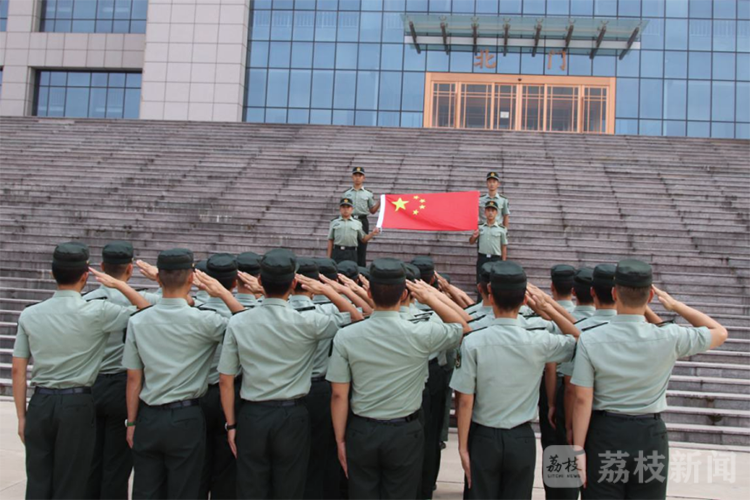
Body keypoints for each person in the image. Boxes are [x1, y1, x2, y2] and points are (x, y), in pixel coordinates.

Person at [571, 259, 728, 499]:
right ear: (651, 296)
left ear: (614, 293)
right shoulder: (669, 336)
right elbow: (720, 332)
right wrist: (675, 306)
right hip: (649, 435)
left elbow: (582, 399)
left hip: (605, 435)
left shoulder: (590, 339)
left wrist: (578, 450)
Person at [217, 249, 363, 500]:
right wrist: (328, 290)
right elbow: (356, 317)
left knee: (251, 486)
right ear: (295, 282)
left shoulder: (239, 322)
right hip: (292, 414)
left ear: (260, 282)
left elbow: (225, 379)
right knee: (290, 485)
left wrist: (231, 423)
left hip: (253, 413)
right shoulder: (308, 322)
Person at [12, 242, 150, 500]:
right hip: (77, 403)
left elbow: (18, 370)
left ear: (53, 274)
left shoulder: (30, 314)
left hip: (41, 401)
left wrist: (21, 416)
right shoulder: (97, 312)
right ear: (86, 276)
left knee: (38, 479)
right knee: (72, 480)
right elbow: (146, 311)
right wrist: (119, 284)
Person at [327, 259, 471, 500]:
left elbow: (339, 394)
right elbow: (463, 326)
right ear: (406, 293)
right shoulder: (421, 333)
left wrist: (341, 439)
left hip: (362, 429)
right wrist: (431, 297)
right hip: (404, 431)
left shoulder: (346, 336)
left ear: (369, 292)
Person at [450, 261, 580, 499]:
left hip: (483, 436)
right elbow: (579, 340)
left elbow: (465, 401)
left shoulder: (473, 342)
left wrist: (462, 447)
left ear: (490, 293)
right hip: (520, 437)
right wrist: (548, 308)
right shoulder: (540, 339)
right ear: (524, 300)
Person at [122, 248, 244, 500]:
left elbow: (134, 378)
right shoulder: (206, 321)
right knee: (184, 489)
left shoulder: (138, 321)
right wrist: (221, 292)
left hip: (148, 415)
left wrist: (131, 422)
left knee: (146, 489)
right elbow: (246, 324)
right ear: (191, 279)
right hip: (186, 416)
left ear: (158, 279)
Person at [83, 241, 161, 500]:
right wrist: (159, 277)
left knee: (90, 462)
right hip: (123, 386)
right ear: (130, 269)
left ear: (102, 266)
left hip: (91, 385)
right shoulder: (145, 300)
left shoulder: (86, 301)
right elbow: (183, 297)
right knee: (117, 463)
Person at [289, 258, 354, 500]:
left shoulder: (273, 310)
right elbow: (358, 315)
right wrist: (333, 291)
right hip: (320, 389)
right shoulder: (327, 314)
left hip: (287, 393)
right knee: (322, 455)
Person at [198, 253, 241, 500]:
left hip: (198, 395)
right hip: (230, 395)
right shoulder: (241, 316)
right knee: (226, 467)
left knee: (197, 467)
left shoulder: (193, 311)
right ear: (234, 282)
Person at [343, 166, 381, 267]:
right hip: (349, 220)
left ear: (363, 178)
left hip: (362, 221)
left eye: (360, 175)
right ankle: (348, 268)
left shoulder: (368, 194)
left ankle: (361, 269)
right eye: (355, 175)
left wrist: (380, 202)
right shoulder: (346, 194)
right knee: (349, 246)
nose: (357, 177)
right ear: (352, 177)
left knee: (362, 247)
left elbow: (372, 210)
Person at [328, 197, 380, 264]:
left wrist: (372, 233)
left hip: (351, 253)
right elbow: (330, 240)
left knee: (351, 272)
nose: (345, 209)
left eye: (348, 207)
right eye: (343, 207)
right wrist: (328, 258)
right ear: (340, 209)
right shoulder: (334, 222)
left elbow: (363, 239)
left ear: (352, 209)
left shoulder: (357, 223)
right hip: (337, 252)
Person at [469, 200, 508, 283]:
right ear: (485, 212)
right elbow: (471, 242)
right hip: (482, 258)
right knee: (481, 282)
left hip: (495, 259)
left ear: (496, 213)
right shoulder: (480, 227)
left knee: (494, 282)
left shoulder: (502, 229)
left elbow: (504, 246)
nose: (490, 213)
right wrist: (474, 236)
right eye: (488, 210)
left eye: (493, 211)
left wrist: (503, 262)